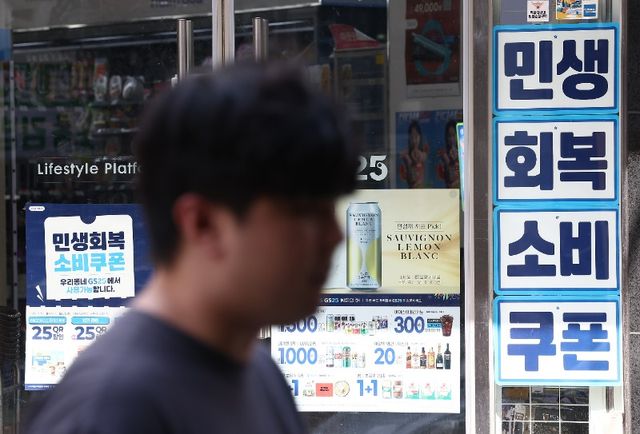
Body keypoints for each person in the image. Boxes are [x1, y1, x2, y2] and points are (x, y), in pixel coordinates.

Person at [22, 63, 359, 434]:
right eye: (303, 212)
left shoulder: (260, 374)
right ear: (202, 224)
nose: (335, 236)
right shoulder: (110, 409)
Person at [399, 120, 429, 188]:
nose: (414, 140)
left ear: (420, 137)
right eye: (411, 137)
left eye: (416, 136)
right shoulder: (406, 155)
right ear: (409, 139)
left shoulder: (424, 153)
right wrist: (408, 161)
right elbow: (412, 179)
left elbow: (423, 157)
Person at [437, 119, 460, 188]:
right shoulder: (443, 155)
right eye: (449, 136)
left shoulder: (463, 153)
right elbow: (449, 178)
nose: (451, 139)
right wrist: (447, 161)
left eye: (453, 135)